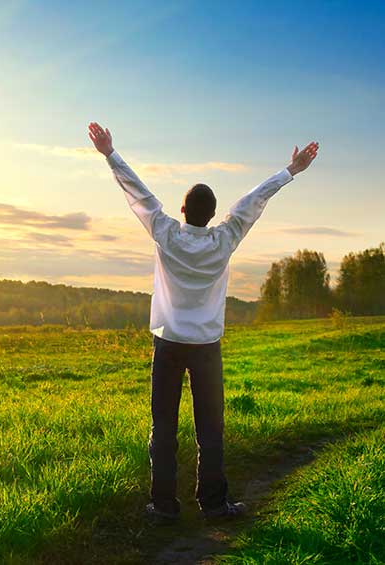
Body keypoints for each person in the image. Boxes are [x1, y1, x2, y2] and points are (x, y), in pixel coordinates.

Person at [88, 121, 319, 522]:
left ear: (183, 210)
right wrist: (290, 171)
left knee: (163, 427)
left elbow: (139, 194)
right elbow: (252, 201)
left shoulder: (166, 234)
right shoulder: (225, 239)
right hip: (206, 348)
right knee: (210, 429)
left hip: (169, 343)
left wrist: (110, 154)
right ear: (213, 215)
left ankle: (163, 506)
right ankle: (213, 504)